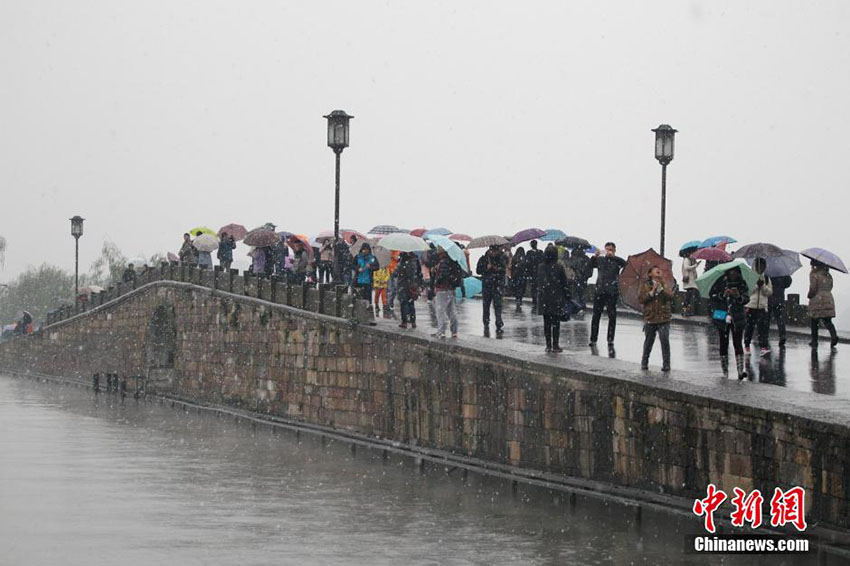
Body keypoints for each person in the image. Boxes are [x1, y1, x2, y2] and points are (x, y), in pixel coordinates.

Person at [709, 266, 750, 378]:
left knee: (737, 343)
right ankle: (725, 371)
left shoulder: (742, 284)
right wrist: (723, 295)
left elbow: (746, 298)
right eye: (731, 272)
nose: (733, 274)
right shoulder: (720, 282)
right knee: (723, 343)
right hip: (722, 316)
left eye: (735, 272)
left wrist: (738, 297)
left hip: (737, 317)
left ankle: (740, 371)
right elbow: (712, 295)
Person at [588, 242, 627, 347]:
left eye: (611, 250)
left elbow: (626, 264)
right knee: (596, 315)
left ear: (614, 251)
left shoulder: (617, 261)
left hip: (612, 291)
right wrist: (595, 256)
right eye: (607, 249)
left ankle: (610, 339)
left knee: (612, 316)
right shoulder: (600, 260)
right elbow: (590, 265)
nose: (609, 251)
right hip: (600, 290)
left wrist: (614, 257)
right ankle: (593, 339)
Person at [639, 266, 673, 371]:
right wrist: (651, 292)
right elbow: (641, 299)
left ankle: (666, 364)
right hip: (651, 317)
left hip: (664, 317)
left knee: (664, 340)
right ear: (650, 274)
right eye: (655, 269)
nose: (658, 270)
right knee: (649, 341)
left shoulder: (665, 283)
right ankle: (644, 361)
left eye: (659, 269)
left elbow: (670, 297)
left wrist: (661, 290)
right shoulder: (645, 285)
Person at [537, 244, 569, 352]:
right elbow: (564, 283)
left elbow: (540, 282)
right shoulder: (559, 267)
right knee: (556, 323)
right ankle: (555, 345)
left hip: (544, 298)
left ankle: (548, 345)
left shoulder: (541, 266)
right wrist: (567, 296)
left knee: (546, 323)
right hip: (556, 298)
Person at [476, 245, 507, 336]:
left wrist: (497, 269)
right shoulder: (483, 259)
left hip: (497, 285)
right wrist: (486, 268)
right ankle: (486, 321)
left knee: (498, 305)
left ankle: (498, 321)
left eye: (495, 251)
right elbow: (478, 270)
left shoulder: (500, 259)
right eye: (492, 251)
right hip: (487, 285)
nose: (494, 253)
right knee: (486, 304)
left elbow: (503, 271)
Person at [744, 258, 772, 356]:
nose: (761, 267)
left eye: (763, 266)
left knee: (762, 328)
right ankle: (746, 345)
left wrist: (763, 286)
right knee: (749, 327)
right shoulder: (750, 277)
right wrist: (756, 285)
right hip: (751, 305)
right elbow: (748, 291)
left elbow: (769, 292)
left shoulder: (767, 278)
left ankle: (763, 346)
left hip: (762, 306)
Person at [808, 260, 839, 351]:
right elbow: (831, 286)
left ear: (815, 266)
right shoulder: (828, 275)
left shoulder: (814, 275)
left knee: (814, 321)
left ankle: (814, 341)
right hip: (828, 298)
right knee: (827, 320)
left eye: (812, 266)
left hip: (818, 299)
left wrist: (809, 295)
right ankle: (834, 335)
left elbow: (813, 288)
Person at [432, 246, 462, 339]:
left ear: (442, 253)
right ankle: (454, 331)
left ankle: (441, 332)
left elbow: (442, 276)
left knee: (440, 311)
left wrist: (436, 280)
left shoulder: (443, 262)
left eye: (439, 253)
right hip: (451, 289)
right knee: (452, 311)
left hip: (442, 289)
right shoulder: (453, 261)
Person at [396, 252, 423, 329]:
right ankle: (413, 321)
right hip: (412, 284)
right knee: (411, 303)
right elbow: (419, 272)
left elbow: (397, 272)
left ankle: (404, 322)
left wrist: (399, 265)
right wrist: (418, 283)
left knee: (403, 303)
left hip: (403, 284)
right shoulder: (415, 259)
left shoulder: (403, 259)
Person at [768, 273, 792, 349]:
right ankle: (782, 335)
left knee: (766, 318)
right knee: (779, 318)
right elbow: (788, 282)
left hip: (769, 298)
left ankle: (765, 335)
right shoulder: (782, 271)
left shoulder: (768, 272)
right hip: (779, 298)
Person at [525, 240, 544, 312]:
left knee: (534, 287)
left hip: (533, 273)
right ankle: (538, 300)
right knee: (538, 287)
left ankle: (535, 300)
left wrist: (527, 272)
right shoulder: (540, 252)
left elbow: (527, 263)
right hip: (539, 273)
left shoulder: (529, 253)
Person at [510, 247, 527, 311]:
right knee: (521, 288)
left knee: (517, 287)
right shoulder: (524, 258)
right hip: (522, 276)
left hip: (516, 276)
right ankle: (520, 298)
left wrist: (512, 275)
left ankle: (517, 298)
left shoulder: (515, 258)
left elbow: (512, 268)